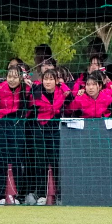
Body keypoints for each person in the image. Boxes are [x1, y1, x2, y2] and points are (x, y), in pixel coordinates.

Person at [0, 59, 32, 204]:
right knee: (1, 161)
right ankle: (2, 195)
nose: (12, 79)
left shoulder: (27, 89)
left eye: (15, 77)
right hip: (1, 125)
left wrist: (30, 86)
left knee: (17, 161)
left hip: (18, 125)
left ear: (21, 77)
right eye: (10, 76)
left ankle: (19, 195)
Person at [29, 68, 70, 204]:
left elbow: (71, 95)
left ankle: (59, 195)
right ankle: (40, 194)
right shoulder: (36, 93)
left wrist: (62, 84)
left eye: (51, 79)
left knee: (57, 162)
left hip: (57, 131)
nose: (48, 81)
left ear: (56, 81)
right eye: (45, 79)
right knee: (40, 162)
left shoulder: (62, 93)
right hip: (40, 130)